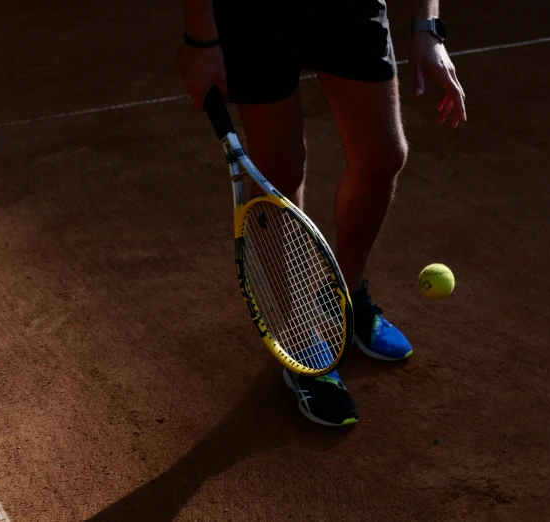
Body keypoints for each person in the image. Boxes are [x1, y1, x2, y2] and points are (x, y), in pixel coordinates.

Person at [176, 0, 466, 427]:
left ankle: (341, 299)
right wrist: (200, 36)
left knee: (383, 155)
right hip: (256, 12)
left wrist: (427, 27)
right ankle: (298, 338)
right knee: (280, 170)